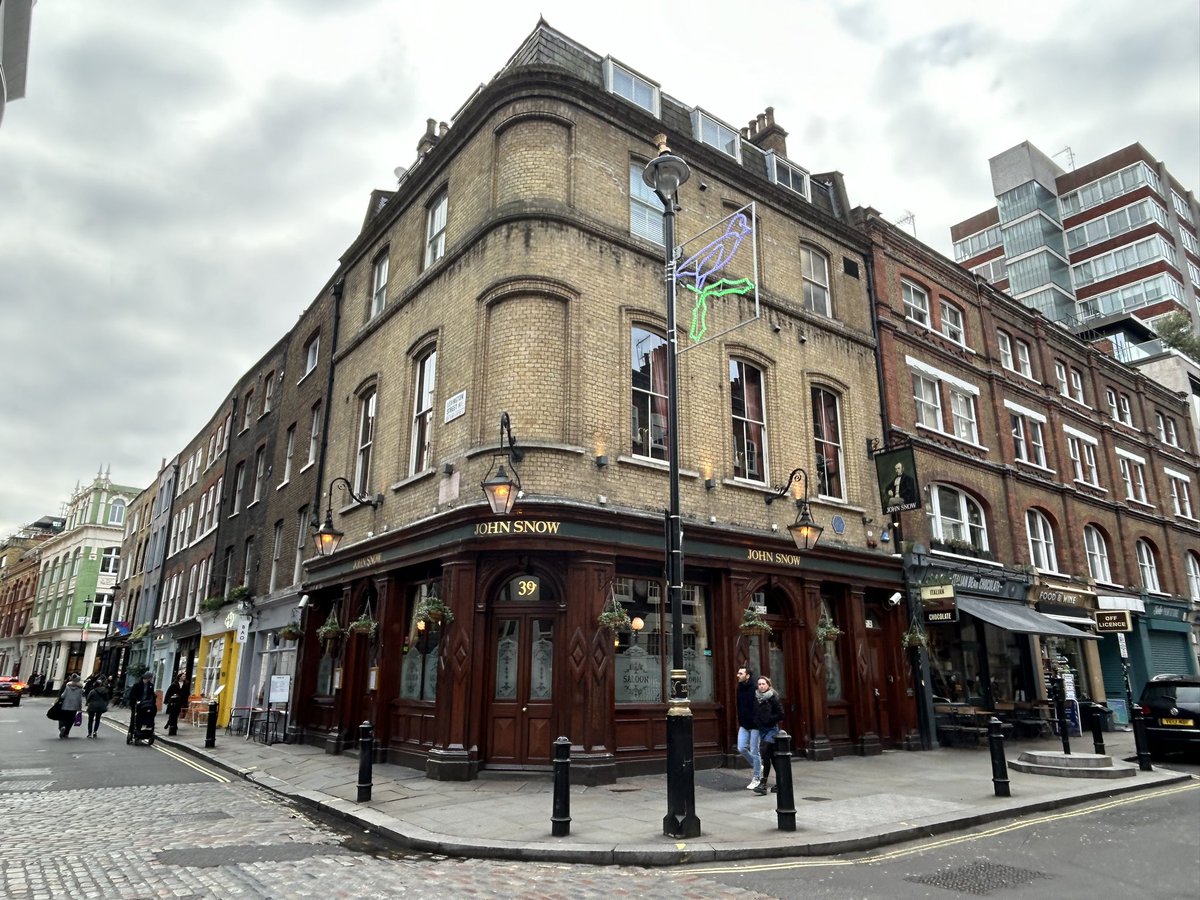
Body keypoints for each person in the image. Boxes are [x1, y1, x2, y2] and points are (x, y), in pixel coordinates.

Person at [752, 675, 784, 795]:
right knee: (771, 757)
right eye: (759, 684)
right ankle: (781, 782)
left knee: (765, 752)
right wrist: (757, 721)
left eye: (763, 684)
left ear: (768, 685)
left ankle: (763, 784)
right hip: (762, 729)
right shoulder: (756, 698)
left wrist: (768, 719)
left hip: (771, 729)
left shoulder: (773, 698)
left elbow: (781, 714)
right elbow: (754, 712)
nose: (761, 686)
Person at [735, 665, 762, 790]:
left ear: (747, 676)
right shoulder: (739, 688)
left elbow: (759, 706)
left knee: (755, 751)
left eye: (741, 673)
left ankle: (756, 777)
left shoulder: (755, 689)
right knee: (741, 748)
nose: (738, 675)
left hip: (755, 725)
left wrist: (758, 720)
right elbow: (739, 705)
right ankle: (758, 765)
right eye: (738, 673)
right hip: (744, 724)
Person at [57, 673, 86, 739]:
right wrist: (80, 707)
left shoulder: (67, 687)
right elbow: (79, 699)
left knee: (62, 718)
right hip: (74, 707)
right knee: (71, 720)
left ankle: (62, 727)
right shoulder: (80, 689)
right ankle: (66, 733)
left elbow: (63, 696)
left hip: (65, 706)